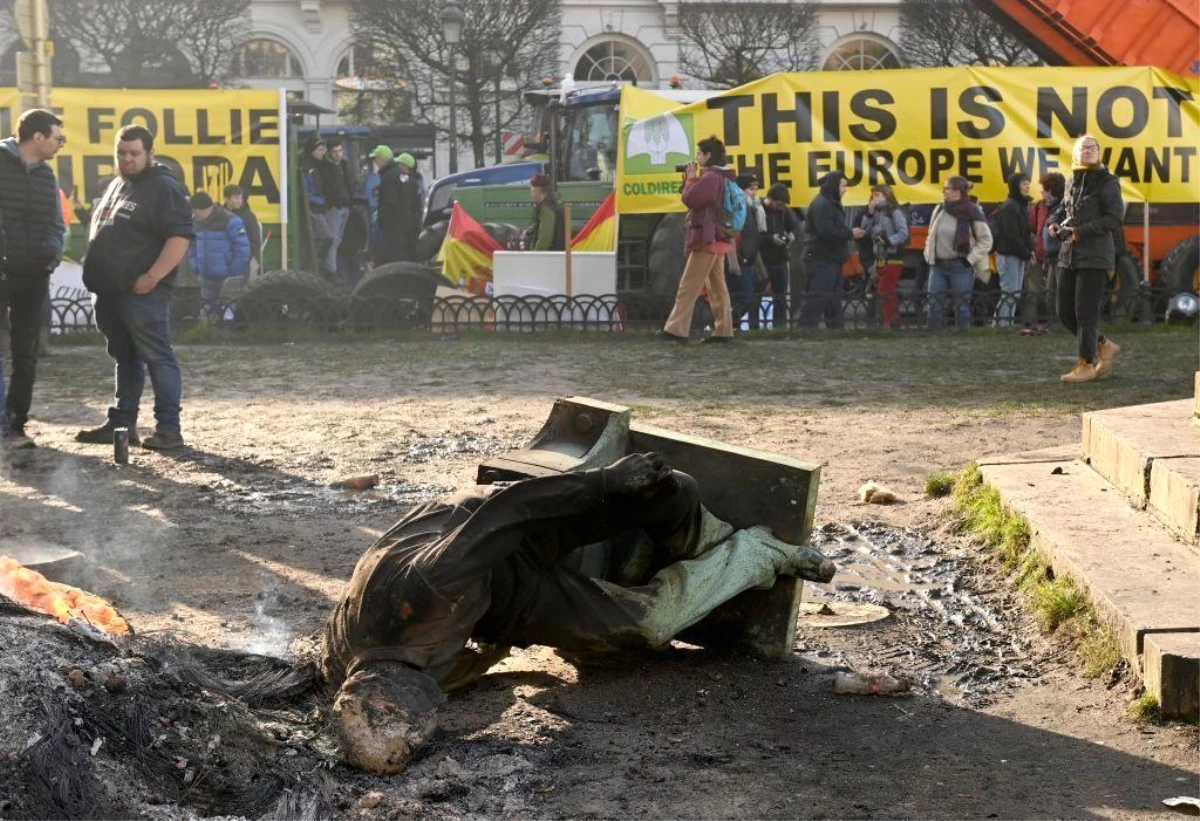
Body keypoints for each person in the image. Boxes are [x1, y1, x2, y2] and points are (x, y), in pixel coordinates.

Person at [319, 452, 836, 775]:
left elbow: (508, 512)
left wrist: (605, 483)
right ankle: (759, 554)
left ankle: (700, 533)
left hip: (489, 535)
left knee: (670, 490)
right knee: (647, 624)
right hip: (492, 596)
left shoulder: (426, 588)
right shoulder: (345, 665)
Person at [75, 125, 194, 451]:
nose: (127, 159)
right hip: (111, 291)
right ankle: (122, 422)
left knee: (158, 357)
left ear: (150, 154)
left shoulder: (163, 187)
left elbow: (180, 237)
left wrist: (153, 277)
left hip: (141, 292)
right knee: (125, 357)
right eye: (121, 153)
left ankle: (169, 429)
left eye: (134, 153)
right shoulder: (118, 184)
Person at [0, 109, 66, 448]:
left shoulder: (47, 176)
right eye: (58, 137)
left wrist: (51, 257)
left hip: (33, 275)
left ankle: (15, 425)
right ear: (37, 137)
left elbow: (58, 224)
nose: (61, 144)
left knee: (26, 352)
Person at [1048, 135, 1124, 383]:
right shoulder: (1071, 180)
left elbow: (1113, 220)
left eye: (1093, 147)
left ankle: (1086, 364)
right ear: (1075, 153)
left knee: (1085, 313)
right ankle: (1104, 345)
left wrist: (1081, 231)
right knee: (1064, 312)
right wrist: (1054, 222)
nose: (1089, 150)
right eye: (1084, 147)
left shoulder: (1108, 182)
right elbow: (1063, 207)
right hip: (1068, 255)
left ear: (1099, 153)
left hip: (1095, 254)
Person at [658, 136, 735, 344]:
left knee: (688, 285)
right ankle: (723, 331)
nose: (696, 158)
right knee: (718, 288)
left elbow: (691, 199)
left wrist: (691, 179)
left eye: (699, 154)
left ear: (708, 156)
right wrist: (690, 180)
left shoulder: (711, 178)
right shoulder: (721, 176)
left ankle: (676, 330)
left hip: (707, 238)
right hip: (718, 239)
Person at [922, 176, 992, 331]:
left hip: (960, 266)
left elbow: (986, 240)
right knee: (934, 304)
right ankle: (933, 337)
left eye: (946, 188)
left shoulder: (972, 211)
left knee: (961, 306)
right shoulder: (940, 209)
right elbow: (931, 234)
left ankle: (963, 338)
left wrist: (970, 260)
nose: (943, 191)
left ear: (957, 191)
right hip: (938, 265)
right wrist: (928, 254)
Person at [797, 171, 852, 330]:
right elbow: (826, 231)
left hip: (831, 258)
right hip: (821, 258)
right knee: (817, 296)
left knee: (833, 299)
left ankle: (836, 329)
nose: (845, 189)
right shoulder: (823, 204)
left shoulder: (830, 202)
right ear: (834, 186)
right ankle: (805, 329)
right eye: (843, 186)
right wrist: (849, 233)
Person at [187, 191, 250, 317]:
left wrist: (233, 273)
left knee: (227, 312)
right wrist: (197, 268)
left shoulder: (231, 221)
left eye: (195, 211)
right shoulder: (195, 224)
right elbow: (191, 248)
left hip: (227, 278)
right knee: (206, 313)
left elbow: (243, 250)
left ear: (206, 209)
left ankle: (227, 334)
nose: (194, 215)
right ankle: (207, 334)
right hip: (206, 278)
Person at [856, 184, 909, 330]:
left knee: (885, 288)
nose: (875, 198)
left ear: (887, 196)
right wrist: (869, 213)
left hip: (893, 255)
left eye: (878, 195)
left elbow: (904, 233)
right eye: (873, 195)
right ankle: (892, 321)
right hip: (880, 257)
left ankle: (891, 322)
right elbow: (864, 230)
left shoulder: (894, 212)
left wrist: (888, 241)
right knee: (883, 288)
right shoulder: (876, 213)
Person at [991, 173, 1035, 328]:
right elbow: (1012, 235)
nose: (1027, 186)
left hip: (1017, 255)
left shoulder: (1020, 205)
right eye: (1023, 183)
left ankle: (1004, 323)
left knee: (1014, 293)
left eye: (1028, 183)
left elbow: (1024, 233)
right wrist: (1026, 253)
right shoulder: (1010, 206)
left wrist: (1028, 252)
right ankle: (1002, 325)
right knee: (1009, 292)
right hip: (1009, 255)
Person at [1025, 172, 1065, 334]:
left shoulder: (1063, 207)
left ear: (1052, 190)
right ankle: (1053, 322)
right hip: (1048, 255)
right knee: (1050, 291)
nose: (1041, 192)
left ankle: (1061, 323)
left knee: (1059, 291)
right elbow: (1036, 229)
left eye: (1044, 189)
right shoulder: (1041, 207)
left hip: (1061, 255)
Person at [759, 183, 801, 330]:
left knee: (781, 298)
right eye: (779, 205)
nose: (781, 208)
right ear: (770, 199)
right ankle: (755, 328)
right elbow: (752, 237)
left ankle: (780, 327)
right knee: (757, 297)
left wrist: (791, 235)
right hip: (762, 261)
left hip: (780, 260)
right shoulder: (758, 210)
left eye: (784, 206)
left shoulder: (784, 211)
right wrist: (771, 239)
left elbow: (795, 226)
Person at [726, 173, 763, 329]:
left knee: (751, 293)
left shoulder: (751, 207)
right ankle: (725, 323)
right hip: (740, 260)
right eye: (751, 188)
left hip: (749, 259)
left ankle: (731, 326)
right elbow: (732, 234)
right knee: (745, 298)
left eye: (756, 188)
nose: (754, 193)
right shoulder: (738, 206)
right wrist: (733, 261)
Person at [377, 150, 425, 263]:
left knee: (396, 256)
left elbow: (389, 202)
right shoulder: (414, 182)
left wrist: (383, 221)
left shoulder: (390, 177)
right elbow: (417, 206)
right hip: (411, 226)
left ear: (404, 166)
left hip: (394, 226)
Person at [223, 184, 262, 277]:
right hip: (222, 264)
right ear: (226, 199)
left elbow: (255, 241)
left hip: (242, 265)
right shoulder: (219, 215)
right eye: (236, 198)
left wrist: (245, 258)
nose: (239, 201)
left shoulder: (249, 217)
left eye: (241, 198)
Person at [522, 173, 565, 252]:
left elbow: (545, 237)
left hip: (547, 258)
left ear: (536, 190)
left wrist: (536, 255)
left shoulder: (546, 209)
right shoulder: (554, 205)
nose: (532, 194)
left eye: (532, 190)